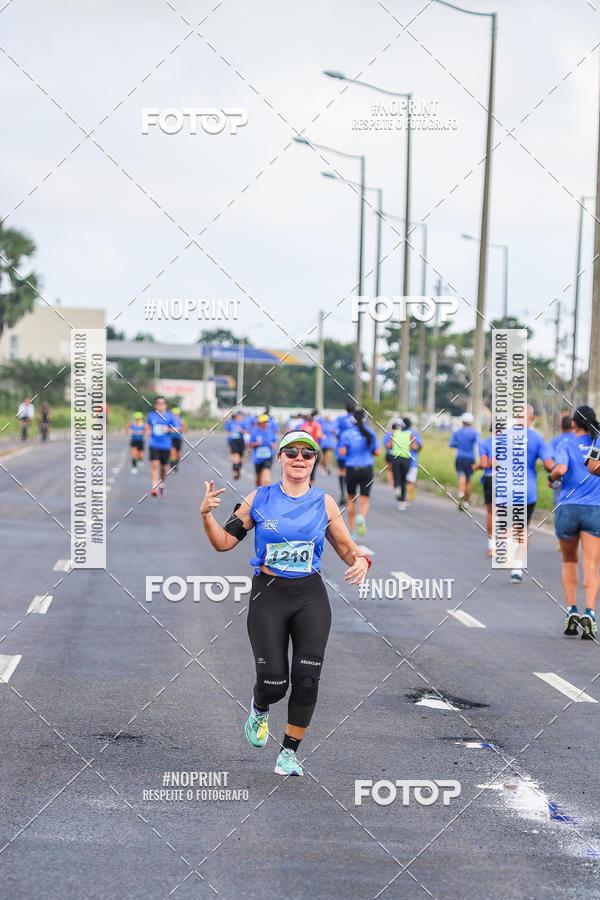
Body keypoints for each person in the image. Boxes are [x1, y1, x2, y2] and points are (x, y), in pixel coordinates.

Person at [200, 429, 371, 776]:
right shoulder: (259, 499)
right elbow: (223, 543)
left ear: (314, 462)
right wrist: (206, 515)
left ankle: (289, 753)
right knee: (274, 680)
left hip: (310, 594)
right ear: (279, 458)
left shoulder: (324, 502)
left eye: (307, 454)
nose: (299, 459)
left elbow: (345, 547)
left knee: (307, 678)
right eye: (291, 452)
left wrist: (361, 561)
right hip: (269, 594)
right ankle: (260, 707)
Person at [549, 405, 600, 638]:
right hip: (594, 510)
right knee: (591, 565)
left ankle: (571, 610)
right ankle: (590, 612)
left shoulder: (565, 444)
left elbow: (560, 469)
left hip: (568, 508)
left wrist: (552, 477)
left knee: (569, 561)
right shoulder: (598, 443)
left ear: (573, 424)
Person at [495, 404, 554, 583]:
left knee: (505, 527)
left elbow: (494, 462)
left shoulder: (503, 436)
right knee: (523, 529)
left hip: (505, 489)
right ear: (532, 418)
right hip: (526, 491)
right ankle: (517, 569)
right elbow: (549, 464)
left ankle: (505, 545)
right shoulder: (537, 439)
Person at [337, 409, 380, 538]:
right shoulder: (371, 434)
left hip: (351, 469)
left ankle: (352, 531)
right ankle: (361, 516)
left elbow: (342, 453)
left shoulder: (346, 434)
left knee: (351, 499)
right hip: (366, 468)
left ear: (352, 420)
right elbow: (377, 452)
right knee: (364, 499)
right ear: (365, 419)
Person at [145, 397, 176, 497]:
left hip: (165, 445)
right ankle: (154, 487)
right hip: (154, 444)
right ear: (156, 405)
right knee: (154, 464)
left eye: (162, 403)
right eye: (158, 403)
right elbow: (147, 426)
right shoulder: (151, 415)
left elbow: (177, 429)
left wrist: (168, 429)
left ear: (165, 405)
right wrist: (148, 430)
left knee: (163, 467)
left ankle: (162, 484)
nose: (160, 405)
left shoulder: (170, 416)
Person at [449, 412, 480, 510]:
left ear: (462, 421)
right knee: (468, 480)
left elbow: (451, 444)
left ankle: (461, 492)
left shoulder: (457, 432)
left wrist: (459, 445)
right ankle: (466, 502)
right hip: (470, 458)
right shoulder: (475, 433)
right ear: (471, 422)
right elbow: (479, 443)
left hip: (460, 457)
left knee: (461, 475)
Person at [474, 426, 496, 557]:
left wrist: (477, 467)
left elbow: (484, 464)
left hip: (490, 479)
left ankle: (491, 547)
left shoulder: (485, 443)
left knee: (491, 513)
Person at [386, 419, 417, 511]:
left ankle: (397, 488)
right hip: (406, 458)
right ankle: (403, 501)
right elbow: (414, 447)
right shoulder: (410, 435)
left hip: (395, 457)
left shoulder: (395, 433)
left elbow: (388, 446)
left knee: (396, 477)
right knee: (404, 480)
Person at [334, 402, 356, 507]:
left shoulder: (341, 419)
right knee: (351, 471)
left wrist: (338, 437)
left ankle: (343, 494)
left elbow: (334, 430)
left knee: (342, 471)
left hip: (342, 448)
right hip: (354, 449)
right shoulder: (356, 419)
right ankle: (350, 495)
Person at [248, 414, 279, 487]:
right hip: (258, 458)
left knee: (266, 476)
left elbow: (275, 441)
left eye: (266, 422)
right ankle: (258, 490)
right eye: (264, 422)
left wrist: (274, 445)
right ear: (260, 423)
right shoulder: (255, 432)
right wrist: (256, 444)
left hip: (268, 456)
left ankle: (265, 491)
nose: (266, 423)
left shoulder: (270, 431)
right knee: (258, 478)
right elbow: (250, 444)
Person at [301, 412, 323, 484]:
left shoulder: (303, 426)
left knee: (306, 467)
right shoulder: (317, 425)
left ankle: (305, 484)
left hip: (305, 448)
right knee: (313, 468)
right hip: (314, 447)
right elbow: (319, 435)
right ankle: (311, 485)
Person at [405, 417, 423, 502]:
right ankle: (410, 496)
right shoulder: (415, 433)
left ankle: (404, 499)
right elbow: (420, 446)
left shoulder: (399, 433)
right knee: (410, 481)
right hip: (413, 461)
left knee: (403, 481)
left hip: (402, 460)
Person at [226, 411, 247, 480]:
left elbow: (247, 432)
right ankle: (235, 471)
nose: (239, 417)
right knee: (235, 456)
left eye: (240, 415)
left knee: (240, 458)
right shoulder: (231, 423)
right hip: (234, 441)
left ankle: (238, 468)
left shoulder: (243, 423)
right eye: (238, 415)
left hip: (241, 441)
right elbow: (228, 433)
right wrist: (229, 444)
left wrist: (241, 430)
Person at [169, 406, 187, 472]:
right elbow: (166, 428)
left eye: (177, 414)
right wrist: (171, 430)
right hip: (171, 438)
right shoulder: (170, 420)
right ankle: (173, 467)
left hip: (178, 438)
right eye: (175, 414)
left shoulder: (181, 419)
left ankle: (175, 465)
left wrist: (178, 429)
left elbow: (185, 428)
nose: (176, 415)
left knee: (178, 454)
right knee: (173, 453)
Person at [382, 423, 396, 487]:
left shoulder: (387, 435)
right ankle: (396, 483)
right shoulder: (400, 435)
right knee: (396, 470)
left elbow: (385, 445)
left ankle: (391, 484)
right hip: (398, 455)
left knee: (389, 470)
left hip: (389, 454)